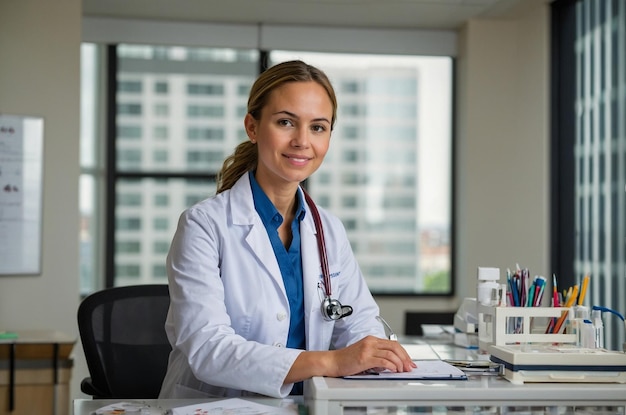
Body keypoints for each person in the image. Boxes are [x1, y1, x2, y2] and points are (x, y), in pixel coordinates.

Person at [158, 60, 415, 399]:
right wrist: (334, 361)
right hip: (216, 404)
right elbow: (209, 349)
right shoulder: (203, 225)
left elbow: (359, 323)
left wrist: (373, 353)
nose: (302, 141)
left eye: (318, 127)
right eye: (285, 122)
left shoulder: (329, 231)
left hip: (307, 403)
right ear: (252, 127)